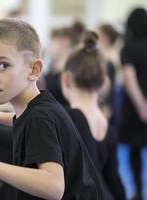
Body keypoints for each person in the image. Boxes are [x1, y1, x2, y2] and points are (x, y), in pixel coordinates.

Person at [0, 18, 106, 199]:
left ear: (34, 69)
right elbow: (26, 121)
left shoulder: (40, 118)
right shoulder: (40, 105)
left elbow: (53, 186)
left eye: (3, 65)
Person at [61, 31, 126, 200]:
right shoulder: (108, 127)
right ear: (105, 83)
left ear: (66, 79)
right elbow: (114, 181)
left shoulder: (67, 118)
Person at [119, 7, 147, 200]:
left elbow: (129, 78)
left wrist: (141, 105)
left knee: (135, 150)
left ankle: (138, 192)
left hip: (135, 108)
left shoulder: (127, 47)